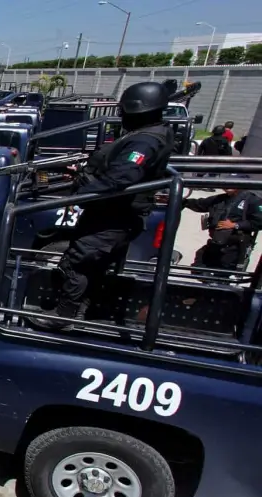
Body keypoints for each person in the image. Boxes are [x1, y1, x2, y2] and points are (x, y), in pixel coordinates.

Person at [27, 81, 175, 331]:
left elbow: (122, 177)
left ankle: (63, 316)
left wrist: (79, 194)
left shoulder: (146, 141)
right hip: (112, 214)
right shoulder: (151, 133)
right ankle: (77, 311)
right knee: (92, 265)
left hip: (113, 216)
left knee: (76, 262)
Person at [185, 176, 262, 271]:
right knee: (198, 266)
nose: (228, 185)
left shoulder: (252, 200)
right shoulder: (220, 199)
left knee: (222, 276)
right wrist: (182, 201)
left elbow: (259, 222)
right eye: (226, 182)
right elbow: (200, 204)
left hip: (234, 247)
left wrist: (235, 225)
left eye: (233, 182)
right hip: (216, 244)